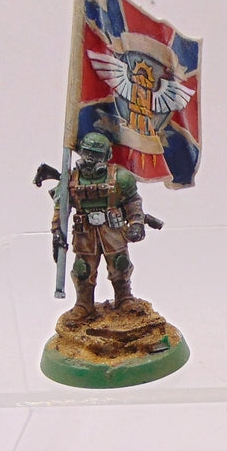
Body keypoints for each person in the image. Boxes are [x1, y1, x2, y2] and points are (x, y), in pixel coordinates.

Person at [57, 132, 147, 317]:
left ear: (107, 156)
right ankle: (84, 304)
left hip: (112, 231)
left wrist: (137, 222)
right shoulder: (70, 180)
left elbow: (132, 201)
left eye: (96, 154)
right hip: (84, 233)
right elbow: (60, 208)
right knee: (83, 269)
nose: (90, 158)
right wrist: (57, 232)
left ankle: (124, 299)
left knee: (120, 265)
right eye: (87, 152)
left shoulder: (120, 177)